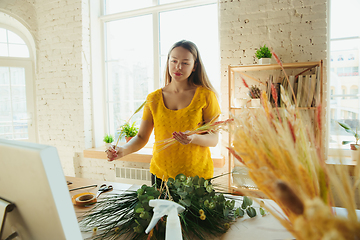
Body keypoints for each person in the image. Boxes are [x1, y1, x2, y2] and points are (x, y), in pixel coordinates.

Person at [106, 40, 221, 185]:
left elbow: (214, 139)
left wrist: (193, 138)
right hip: (161, 176)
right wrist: (123, 150)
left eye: (185, 62)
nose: (178, 66)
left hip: (196, 178)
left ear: (194, 66)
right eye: (174, 61)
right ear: (168, 62)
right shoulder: (153, 98)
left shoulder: (206, 96)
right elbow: (141, 137)